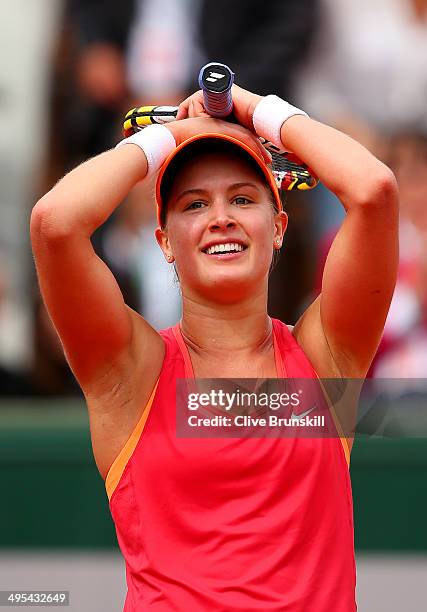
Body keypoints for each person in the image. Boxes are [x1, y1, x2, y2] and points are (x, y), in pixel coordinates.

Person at [30, 84, 399, 610]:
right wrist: (176, 134)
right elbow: (55, 222)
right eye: (194, 204)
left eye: (243, 199)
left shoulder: (325, 359)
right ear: (163, 241)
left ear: (278, 227)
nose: (220, 217)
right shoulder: (131, 373)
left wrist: (257, 109)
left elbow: (374, 189)